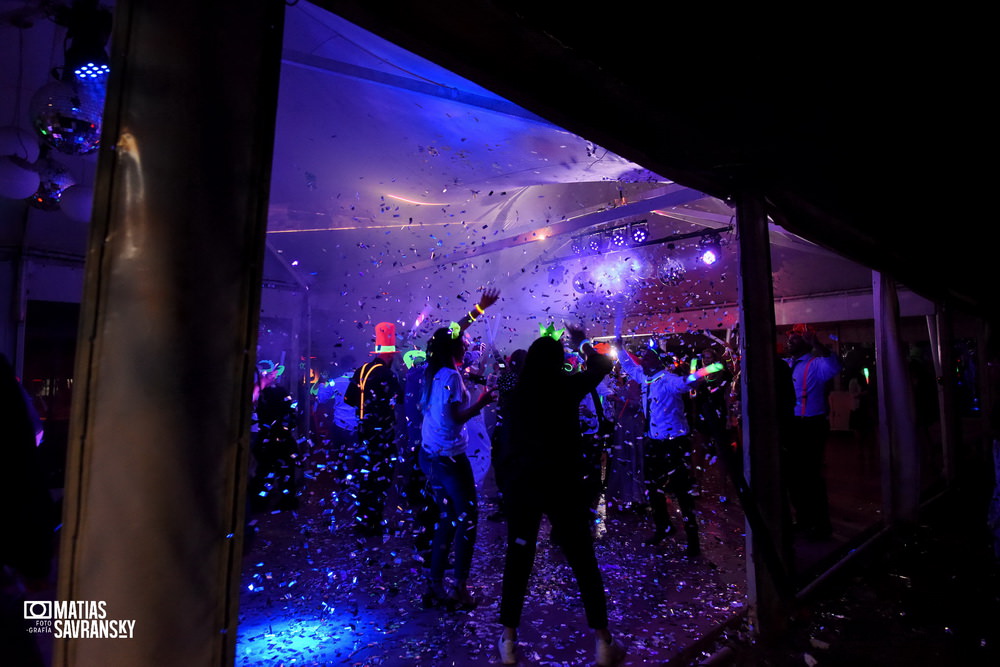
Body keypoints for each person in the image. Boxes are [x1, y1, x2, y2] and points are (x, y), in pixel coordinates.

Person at [497, 326, 626, 667]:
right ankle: (602, 642)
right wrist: (582, 340)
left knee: (518, 559)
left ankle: (508, 641)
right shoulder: (566, 386)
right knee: (583, 560)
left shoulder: (517, 394)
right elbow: (601, 365)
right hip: (562, 483)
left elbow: (506, 443)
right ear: (557, 362)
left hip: (524, 484)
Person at [419, 288, 500, 608]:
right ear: (454, 349)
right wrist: (482, 401)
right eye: (464, 343)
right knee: (467, 519)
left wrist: (479, 308)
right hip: (450, 460)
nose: (467, 344)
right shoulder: (451, 376)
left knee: (448, 517)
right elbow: (454, 418)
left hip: (431, 457)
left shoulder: (434, 370)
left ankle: (435, 584)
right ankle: (459, 588)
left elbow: (453, 331)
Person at [616, 336, 721, 555]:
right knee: (652, 486)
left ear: (656, 362)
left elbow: (686, 383)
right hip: (654, 442)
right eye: (641, 358)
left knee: (681, 491)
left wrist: (705, 371)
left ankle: (693, 542)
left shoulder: (668, 379)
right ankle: (664, 526)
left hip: (675, 443)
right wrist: (619, 348)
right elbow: (627, 364)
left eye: (645, 358)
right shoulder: (645, 378)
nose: (641, 361)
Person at [344, 322, 403, 535]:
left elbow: (349, 398)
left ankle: (362, 520)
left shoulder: (361, 370)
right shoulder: (387, 375)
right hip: (382, 434)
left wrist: (366, 405)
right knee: (381, 477)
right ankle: (374, 522)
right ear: (390, 356)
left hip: (362, 431)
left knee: (365, 474)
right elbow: (401, 398)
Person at [784, 325, 841, 540]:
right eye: (789, 339)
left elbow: (835, 366)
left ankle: (821, 525)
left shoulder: (815, 364)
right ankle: (803, 518)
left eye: (795, 339)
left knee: (811, 477)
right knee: (794, 477)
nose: (789, 341)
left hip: (811, 425)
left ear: (806, 343)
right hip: (792, 425)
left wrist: (817, 344)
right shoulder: (787, 364)